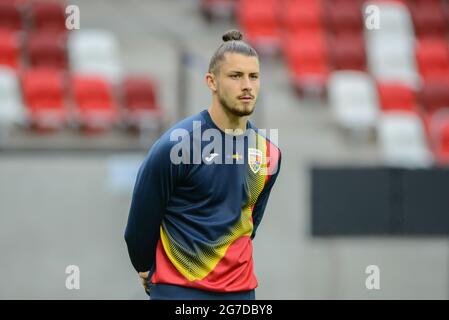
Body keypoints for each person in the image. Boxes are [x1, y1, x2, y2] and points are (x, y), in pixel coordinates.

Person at [124, 29, 281, 300]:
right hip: (178, 292)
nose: (247, 85)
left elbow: (249, 224)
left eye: (253, 76)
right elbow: (139, 228)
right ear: (211, 81)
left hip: (241, 295)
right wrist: (146, 268)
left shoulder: (269, 152)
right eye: (235, 76)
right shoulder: (175, 146)